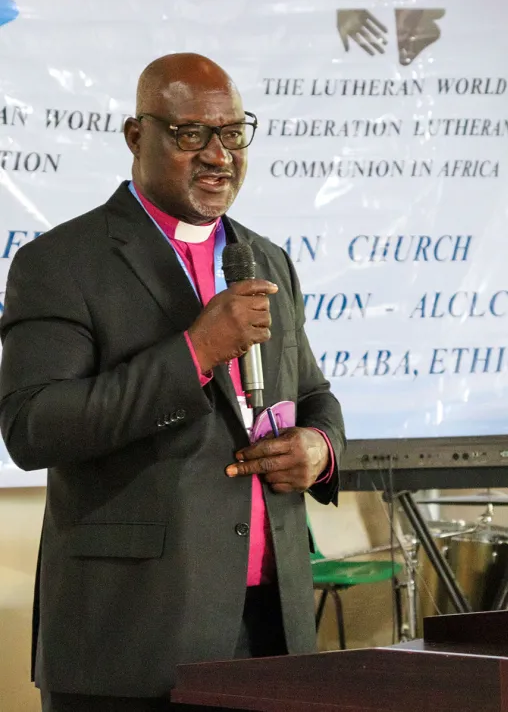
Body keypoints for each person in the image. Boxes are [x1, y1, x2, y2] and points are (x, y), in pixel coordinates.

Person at [0, 53, 345, 711]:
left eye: (234, 133)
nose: (219, 155)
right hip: (129, 643)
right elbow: (32, 426)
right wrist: (195, 352)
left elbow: (313, 394)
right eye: (192, 135)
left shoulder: (265, 258)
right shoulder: (60, 263)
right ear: (137, 137)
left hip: (271, 627)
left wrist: (321, 448)